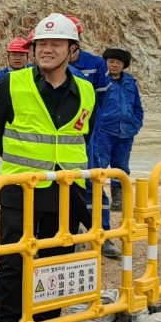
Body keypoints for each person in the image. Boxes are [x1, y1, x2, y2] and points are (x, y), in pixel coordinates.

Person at [0, 14, 97, 322]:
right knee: (13, 261)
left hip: (65, 188)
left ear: (72, 50)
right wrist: (26, 165)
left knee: (57, 259)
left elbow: (84, 135)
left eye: (56, 44)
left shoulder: (86, 90)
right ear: (33, 49)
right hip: (21, 187)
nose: (47, 50)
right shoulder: (11, 83)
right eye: (41, 44)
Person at [65, 16, 117, 257]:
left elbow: (101, 100)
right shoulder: (48, 66)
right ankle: (70, 234)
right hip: (60, 136)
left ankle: (101, 234)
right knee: (63, 185)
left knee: (92, 182)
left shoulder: (96, 64)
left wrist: (89, 123)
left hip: (88, 134)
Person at [98, 48, 143, 211]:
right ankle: (97, 199)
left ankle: (118, 200)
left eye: (118, 62)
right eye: (111, 62)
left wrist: (136, 123)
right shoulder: (100, 80)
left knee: (121, 168)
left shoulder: (130, 82)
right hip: (103, 132)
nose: (115, 65)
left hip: (126, 133)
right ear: (105, 63)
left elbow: (137, 106)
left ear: (124, 65)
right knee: (99, 167)